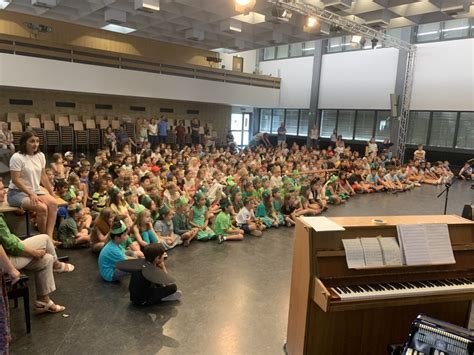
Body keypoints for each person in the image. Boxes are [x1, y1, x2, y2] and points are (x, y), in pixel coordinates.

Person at [0, 178, 74, 313]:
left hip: (10, 252)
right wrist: (33, 252)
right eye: (0, 190)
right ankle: (57, 265)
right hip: (6, 261)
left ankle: (43, 301)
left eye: (3, 188)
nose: (3, 192)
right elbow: (10, 246)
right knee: (45, 238)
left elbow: (8, 240)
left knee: (46, 259)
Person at [7, 131, 58, 241]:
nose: (35, 144)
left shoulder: (40, 156)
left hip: (35, 190)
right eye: (32, 141)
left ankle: (49, 237)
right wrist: (30, 193)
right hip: (16, 192)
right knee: (42, 208)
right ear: (24, 143)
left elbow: (43, 176)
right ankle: (44, 239)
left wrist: (52, 193)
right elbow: (15, 180)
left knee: (53, 204)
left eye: (37, 141)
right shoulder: (17, 157)